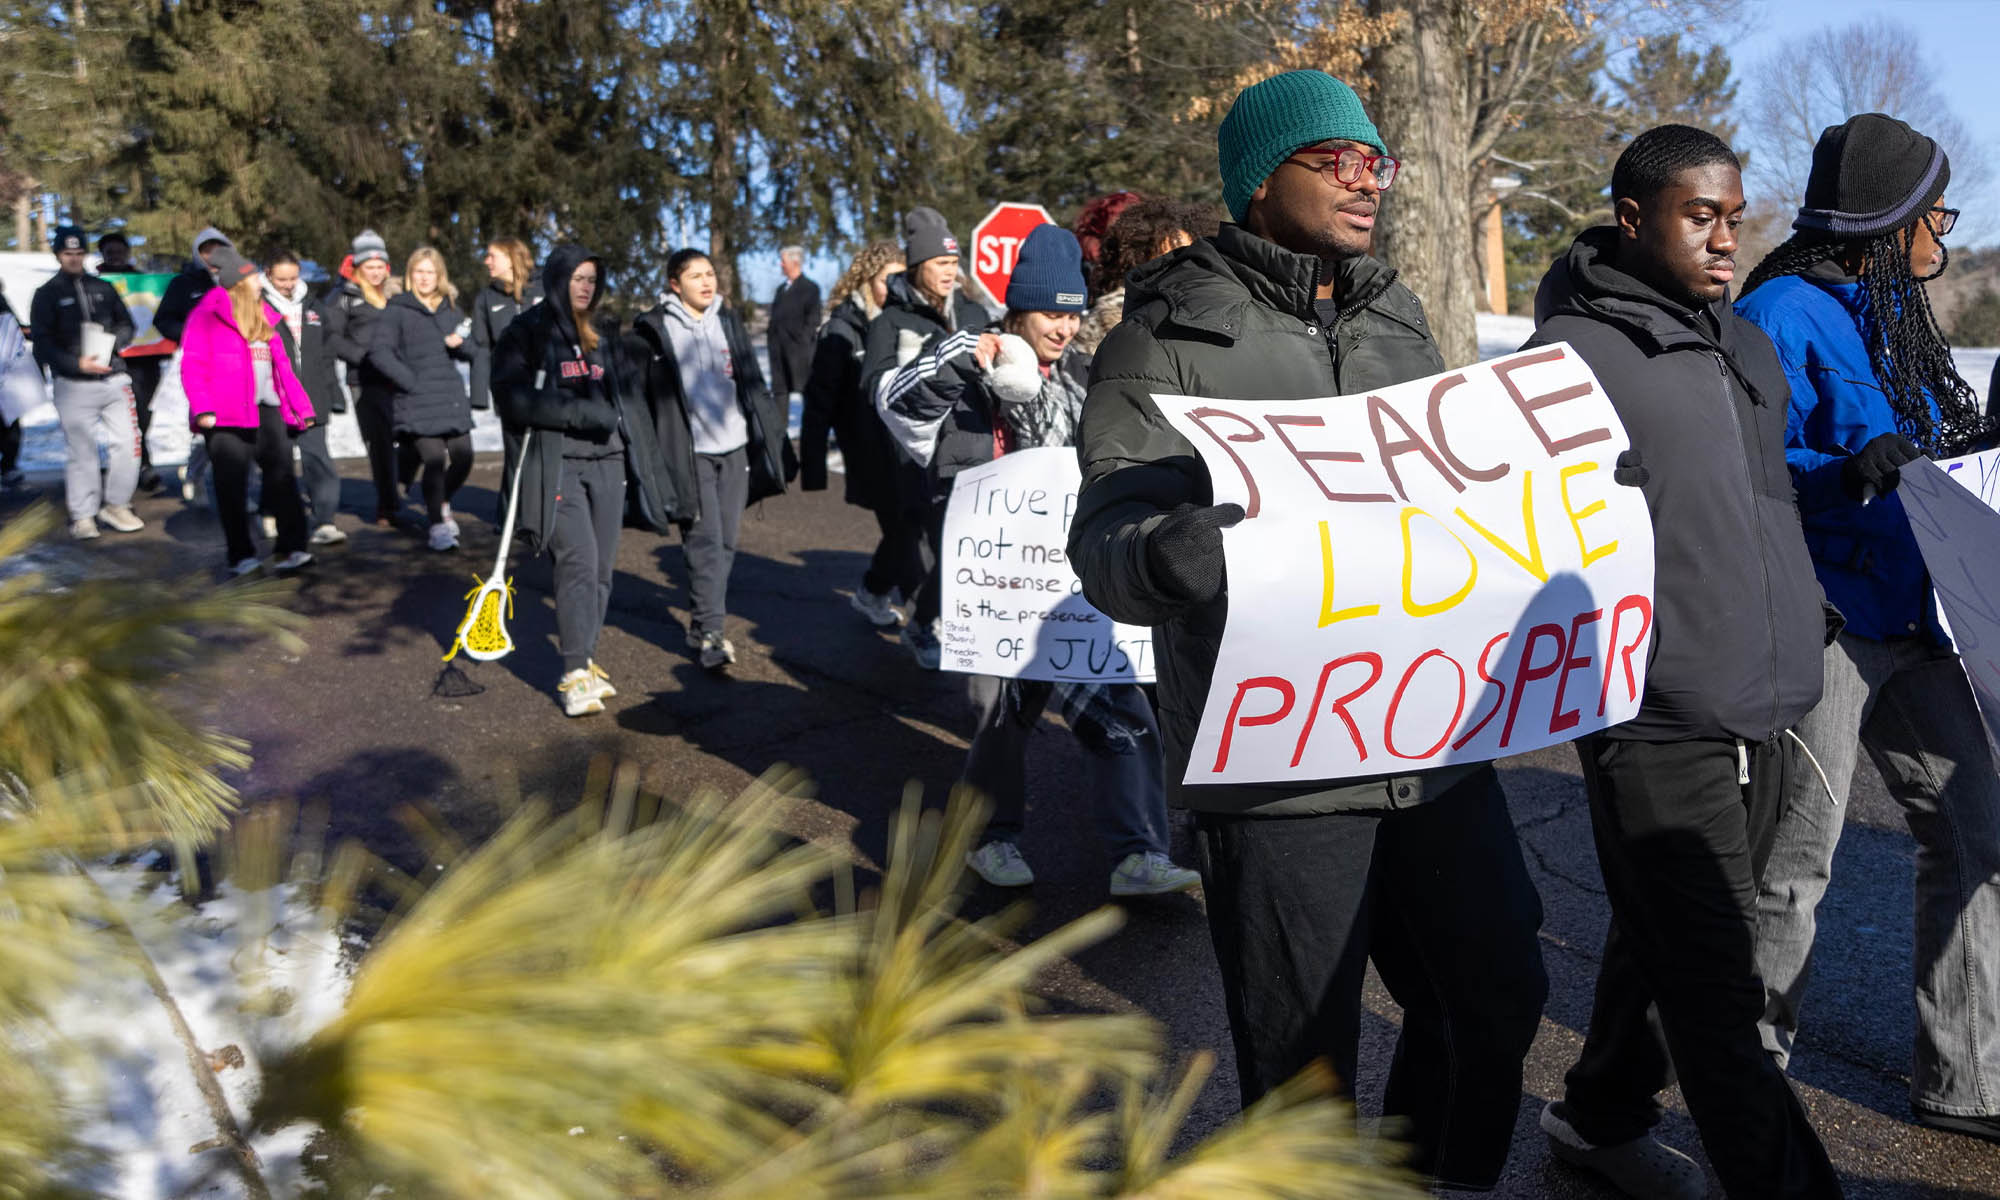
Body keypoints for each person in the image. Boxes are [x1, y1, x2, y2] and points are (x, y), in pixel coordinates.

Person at [1066, 71, 1546, 1191]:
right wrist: (1162, 552)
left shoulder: (1398, 318)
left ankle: (1426, 1174)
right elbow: (1106, 540)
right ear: (1258, 179)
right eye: (1334, 160)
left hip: (1431, 738)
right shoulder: (1163, 337)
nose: (1365, 181)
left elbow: (1455, 499)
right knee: (1303, 1066)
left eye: (1375, 161)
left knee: (1496, 996)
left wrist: (1561, 501)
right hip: (1281, 768)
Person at [1526, 126, 1840, 1200]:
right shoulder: (1564, 358)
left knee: (1662, 943)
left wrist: (1802, 598)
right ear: (1632, 219)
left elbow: (1759, 503)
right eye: (1698, 216)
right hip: (1651, 717)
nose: (1723, 240)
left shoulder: (1743, 344)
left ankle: (1597, 1119)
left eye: (1733, 218)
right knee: (1718, 992)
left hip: (1764, 701)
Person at [1736, 113, 2000, 1146]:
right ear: (1890, 220)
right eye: (1936, 213)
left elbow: (1921, 447)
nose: (1943, 232)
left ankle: (1969, 1082)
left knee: (1978, 833)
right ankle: (1749, 1084)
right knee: (1796, 856)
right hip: (1827, 619)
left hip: (1916, 616)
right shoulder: (1775, 312)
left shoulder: (1890, 311)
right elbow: (1739, 466)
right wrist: (1841, 472)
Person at [880, 223, 1201, 897]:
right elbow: (896, 405)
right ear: (1020, 308)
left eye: (1073, 314)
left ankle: (1139, 854)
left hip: (1071, 587)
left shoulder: (1083, 375)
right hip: (997, 588)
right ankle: (991, 839)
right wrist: (962, 358)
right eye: (1052, 313)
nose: (1064, 326)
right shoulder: (970, 362)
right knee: (999, 719)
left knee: (1120, 708)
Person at [492, 245, 681, 715]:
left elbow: (629, 397)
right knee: (577, 561)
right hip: (559, 463)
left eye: (592, 279)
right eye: (577, 278)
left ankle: (587, 658)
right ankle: (575, 673)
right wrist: (583, 413)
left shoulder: (604, 332)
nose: (585, 287)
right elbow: (512, 399)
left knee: (601, 571)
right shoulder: (526, 332)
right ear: (558, 278)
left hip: (609, 462)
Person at [633, 249, 791, 670]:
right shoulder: (654, 329)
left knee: (726, 542)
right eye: (695, 276)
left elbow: (751, 382)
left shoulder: (728, 321)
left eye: (710, 274)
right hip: (692, 454)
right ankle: (712, 633)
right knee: (704, 541)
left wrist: (769, 436)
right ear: (674, 284)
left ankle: (701, 621)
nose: (707, 282)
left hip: (734, 447)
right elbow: (641, 398)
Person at [859, 207, 987, 667]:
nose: (950, 271)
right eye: (940, 263)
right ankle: (922, 622)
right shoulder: (890, 323)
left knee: (961, 543)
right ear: (917, 267)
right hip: (911, 457)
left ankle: (925, 617)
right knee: (929, 544)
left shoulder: (973, 311)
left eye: (954, 262)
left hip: (967, 448)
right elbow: (874, 387)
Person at [798, 240, 921, 627]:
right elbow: (819, 401)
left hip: (909, 448)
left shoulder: (908, 322)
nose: (898, 288)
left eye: (904, 280)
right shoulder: (842, 329)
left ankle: (873, 592)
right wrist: (813, 466)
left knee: (912, 529)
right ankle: (924, 625)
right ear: (866, 280)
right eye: (889, 280)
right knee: (906, 534)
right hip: (869, 452)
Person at [178, 247, 316, 575]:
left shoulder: (265, 315)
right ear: (239, 283)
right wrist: (203, 408)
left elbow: (283, 368)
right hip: (224, 414)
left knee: (283, 477)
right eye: (254, 277)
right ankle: (241, 555)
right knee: (231, 486)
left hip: (267, 409)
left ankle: (293, 547)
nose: (259, 282)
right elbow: (192, 366)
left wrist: (301, 407)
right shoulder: (206, 315)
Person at [30, 224, 143, 540]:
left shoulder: (103, 288)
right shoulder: (47, 294)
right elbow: (42, 342)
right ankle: (83, 514)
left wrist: (112, 343)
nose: (74, 259)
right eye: (68, 253)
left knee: (129, 444)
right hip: (73, 384)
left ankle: (117, 504)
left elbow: (126, 324)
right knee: (82, 451)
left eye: (79, 253)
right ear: (58, 255)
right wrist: (75, 363)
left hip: (113, 378)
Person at [369, 247, 476, 551]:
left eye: (430, 272)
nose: (425, 278)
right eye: (419, 272)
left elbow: (472, 350)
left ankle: (441, 501)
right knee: (434, 460)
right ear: (410, 275)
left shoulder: (451, 308)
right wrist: (408, 381)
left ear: (440, 275)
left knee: (464, 457)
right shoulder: (397, 309)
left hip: (449, 396)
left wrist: (461, 344)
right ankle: (437, 526)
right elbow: (379, 352)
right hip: (416, 398)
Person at [264, 253, 347, 546]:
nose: (288, 285)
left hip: (311, 395)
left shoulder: (313, 306)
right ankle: (271, 511)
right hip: (274, 397)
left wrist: (333, 393)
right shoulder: (258, 306)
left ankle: (325, 520)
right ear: (268, 275)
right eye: (281, 279)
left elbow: (326, 354)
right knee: (277, 461)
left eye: (292, 278)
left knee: (318, 458)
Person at [322, 230, 401, 525]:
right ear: (357, 266)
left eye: (381, 266)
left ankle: (400, 487)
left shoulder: (396, 293)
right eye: (370, 266)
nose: (376, 272)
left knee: (412, 438)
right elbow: (330, 337)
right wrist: (361, 356)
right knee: (379, 442)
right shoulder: (343, 296)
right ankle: (387, 504)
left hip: (400, 376)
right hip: (365, 379)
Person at [1074, 198, 1220, 354]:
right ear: (1138, 262)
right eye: (1165, 260)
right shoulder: (1115, 321)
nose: (1180, 267)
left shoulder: (1210, 311)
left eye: (1187, 256)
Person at [472, 236, 542, 516]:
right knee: (516, 454)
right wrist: (480, 395)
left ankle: (548, 513)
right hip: (511, 389)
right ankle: (510, 516)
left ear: (512, 257)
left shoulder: (544, 288)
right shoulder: (486, 298)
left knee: (547, 451)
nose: (486, 261)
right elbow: (481, 347)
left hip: (548, 387)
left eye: (492, 255)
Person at [94, 231, 166, 493]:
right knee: (128, 416)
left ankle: (137, 463)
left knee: (143, 413)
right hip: (114, 360)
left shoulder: (145, 281)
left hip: (147, 359)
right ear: (102, 255)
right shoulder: (94, 283)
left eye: (119, 251)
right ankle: (141, 466)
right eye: (109, 252)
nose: (115, 256)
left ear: (128, 252)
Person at [766, 245, 821, 404]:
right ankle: (778, 423)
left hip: (800, 353)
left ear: (795, 263)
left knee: (808, 394)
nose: (781, 264)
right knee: (779, 393)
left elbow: (813, 319)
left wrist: (801, 341)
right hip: (778, 352)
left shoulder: (810, 288)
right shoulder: (780, 290)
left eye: (783, 261)